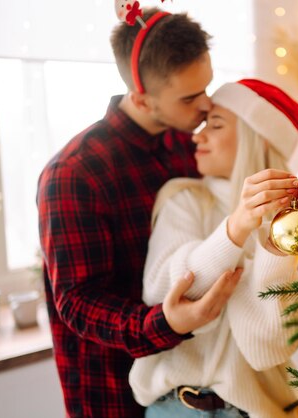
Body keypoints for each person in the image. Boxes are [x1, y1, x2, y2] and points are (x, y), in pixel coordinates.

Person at [37, 9, 243, 417]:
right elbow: (78, 302)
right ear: (141, 98)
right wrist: (166, 322)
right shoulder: (75, 172)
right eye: (189, 97)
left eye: (206, 87)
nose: (206, 106)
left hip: (204, 391)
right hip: (113, 393)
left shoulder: (190, 148)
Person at [129, 79, 298, 418]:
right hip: (176, 410)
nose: (197, 135)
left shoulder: (296, 224)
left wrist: (276, 249)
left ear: (256, 137)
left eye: (215, 125)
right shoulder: (183, 198)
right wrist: (235, 230)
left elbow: (268, 346)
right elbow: (163, 293)